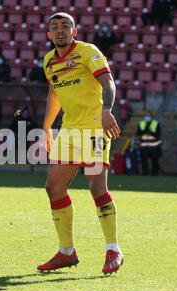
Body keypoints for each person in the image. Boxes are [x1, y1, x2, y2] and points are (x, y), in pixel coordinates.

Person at [37, 12, 123, 275]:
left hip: (96, 128)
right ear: (49, 34)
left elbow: (108, 82)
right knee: (54, 187)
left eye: (65, 26)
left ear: (74, 31)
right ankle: (66, 252)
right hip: (70, 130)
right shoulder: (49, 61)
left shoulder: (88, 51)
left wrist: (107, 110)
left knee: (96, 187)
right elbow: (55, 93)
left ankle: (113, 249)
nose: (60, 30)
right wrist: (47, 126)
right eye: (55, 27)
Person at [136, 111, 162, 176]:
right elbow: (138, 133)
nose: (147, 117)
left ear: (151, 117)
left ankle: (154, 174)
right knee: (144, 162)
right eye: (146, 116)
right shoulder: (141, 123)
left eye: (149, 116)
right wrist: (145, 130)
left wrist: (150, 131)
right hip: (144, 146)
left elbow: (158, 134)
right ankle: (145, 173)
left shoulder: (156, 123)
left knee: (155, 162)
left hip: (154, 146)